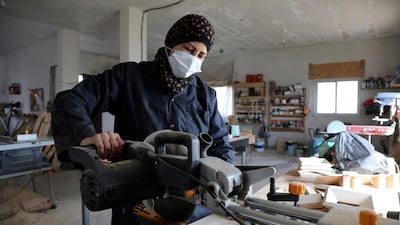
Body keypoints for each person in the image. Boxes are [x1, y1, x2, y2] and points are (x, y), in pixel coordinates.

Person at [51, 14, 235, 225]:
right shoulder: (129, 77)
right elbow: (70, 100)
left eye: (201, 55)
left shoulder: (206, 95)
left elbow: (221, 145)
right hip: (135, 200)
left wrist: (226, 184)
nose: (194, 59)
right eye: (189, 49)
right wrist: (86, 136)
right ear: (171, 44)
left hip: (192, 206)